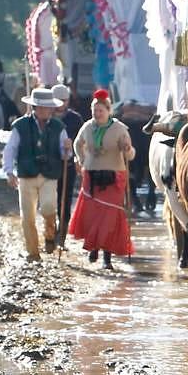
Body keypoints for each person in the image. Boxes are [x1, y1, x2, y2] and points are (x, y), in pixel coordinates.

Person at [2, 87, 72, 262]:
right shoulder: (20, 126)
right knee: (28, 216)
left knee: (49, 208)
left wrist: (67, 149)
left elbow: (66, 155)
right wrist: (9, 172)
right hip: (26, 175)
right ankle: (33, 252)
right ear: (35, 108)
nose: (46, 111)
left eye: (49, 108)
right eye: (42, 107)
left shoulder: (59, 127)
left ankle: (50, 234)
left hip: (49, 174)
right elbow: (10, 149)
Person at [68, 89, 135, 270]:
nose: (97, 114)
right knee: (92, 215)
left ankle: (107, 256)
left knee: (109, 217)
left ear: (108, 111)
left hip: (114, 176)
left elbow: (131, 155)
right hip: (91, 174)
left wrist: (126, 148)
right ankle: (94, 246)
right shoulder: (88, 127)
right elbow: (77, 143)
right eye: (94, 111)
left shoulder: (120, 129)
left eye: (100, 111)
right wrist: (81, 160)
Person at [50, 83, 84, 249]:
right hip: (49, 165)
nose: (61, 103)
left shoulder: (75, 119)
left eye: (64, 100)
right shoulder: (47, 116)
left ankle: (62, 235)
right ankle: (50, 231)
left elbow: (81, 142)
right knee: (50, 200)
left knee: (65, 199)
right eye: (58, 100)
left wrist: (79, 159)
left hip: (68, 165)